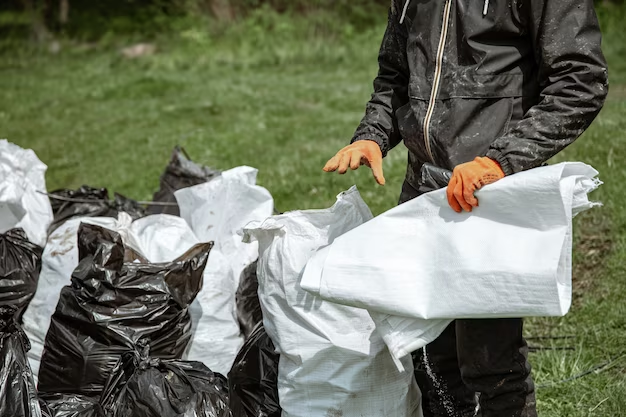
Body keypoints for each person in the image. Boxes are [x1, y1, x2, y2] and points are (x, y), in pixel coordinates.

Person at [323, 1, 608, 416]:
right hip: (425, 193)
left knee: (490, 364)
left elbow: (580, 82)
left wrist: (501, 160)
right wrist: (373, 134)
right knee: (429, 357)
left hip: (491, 195)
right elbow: (395, 75)